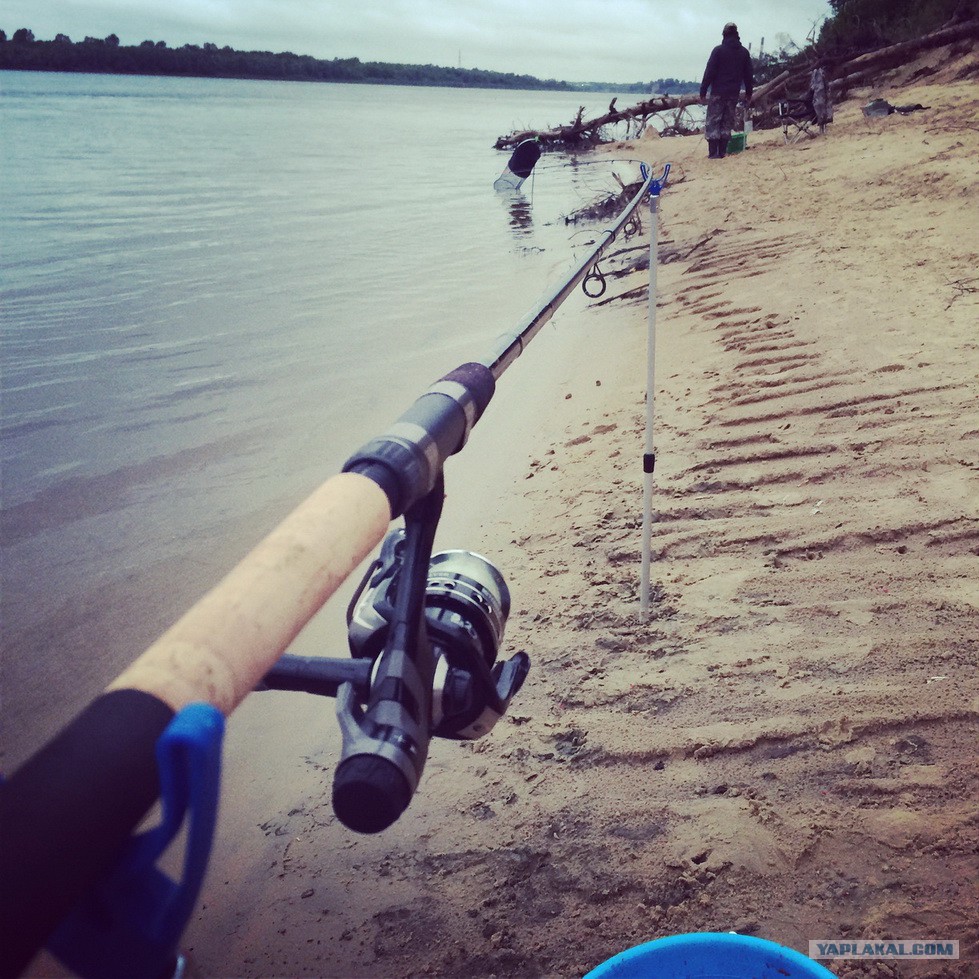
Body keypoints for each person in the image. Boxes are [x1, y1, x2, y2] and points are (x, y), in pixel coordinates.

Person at [699, 22, 754, 159]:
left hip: (718, 92)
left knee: (713, 122)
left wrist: (703, 90)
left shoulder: (718, 51)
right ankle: (722, 152)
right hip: (733, 93)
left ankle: (713, 154)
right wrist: (749, 92)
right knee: (727, 122)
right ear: (737, 34)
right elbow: (748, 75)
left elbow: (709, 72)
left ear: (724, 34)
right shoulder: (744, 53)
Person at [809, 60, 833, 133]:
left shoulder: (820, 73)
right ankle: (822, 127)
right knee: (820, 111)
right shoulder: (815, 74)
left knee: (823, 110)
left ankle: (823, 126)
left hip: (821, 96)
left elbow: (824, 85)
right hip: (818, 97)